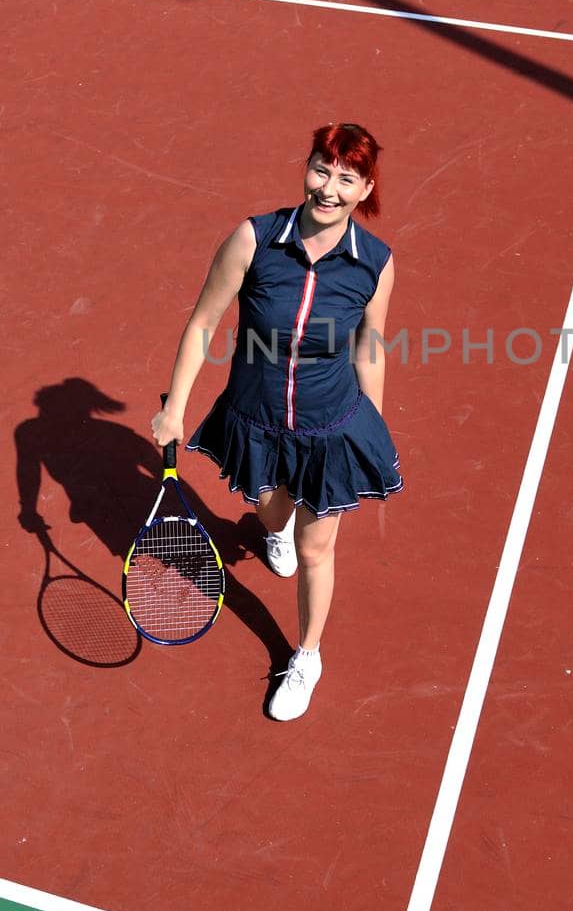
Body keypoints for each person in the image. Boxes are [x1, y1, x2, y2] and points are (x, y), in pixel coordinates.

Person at [150, 122, 402, 720]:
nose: (329, 189)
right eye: (322, 169)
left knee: (318, 550)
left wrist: (375, 430)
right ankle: (273, 529)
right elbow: (203, 323)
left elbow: (371, 345)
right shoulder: (254, 239)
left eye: (347, 179)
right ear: (307, 166)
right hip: (257, 419)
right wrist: (174, 407)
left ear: (366, 189)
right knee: (270, 510)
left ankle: (307, 656)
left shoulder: (376, 263)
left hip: (331, 426)